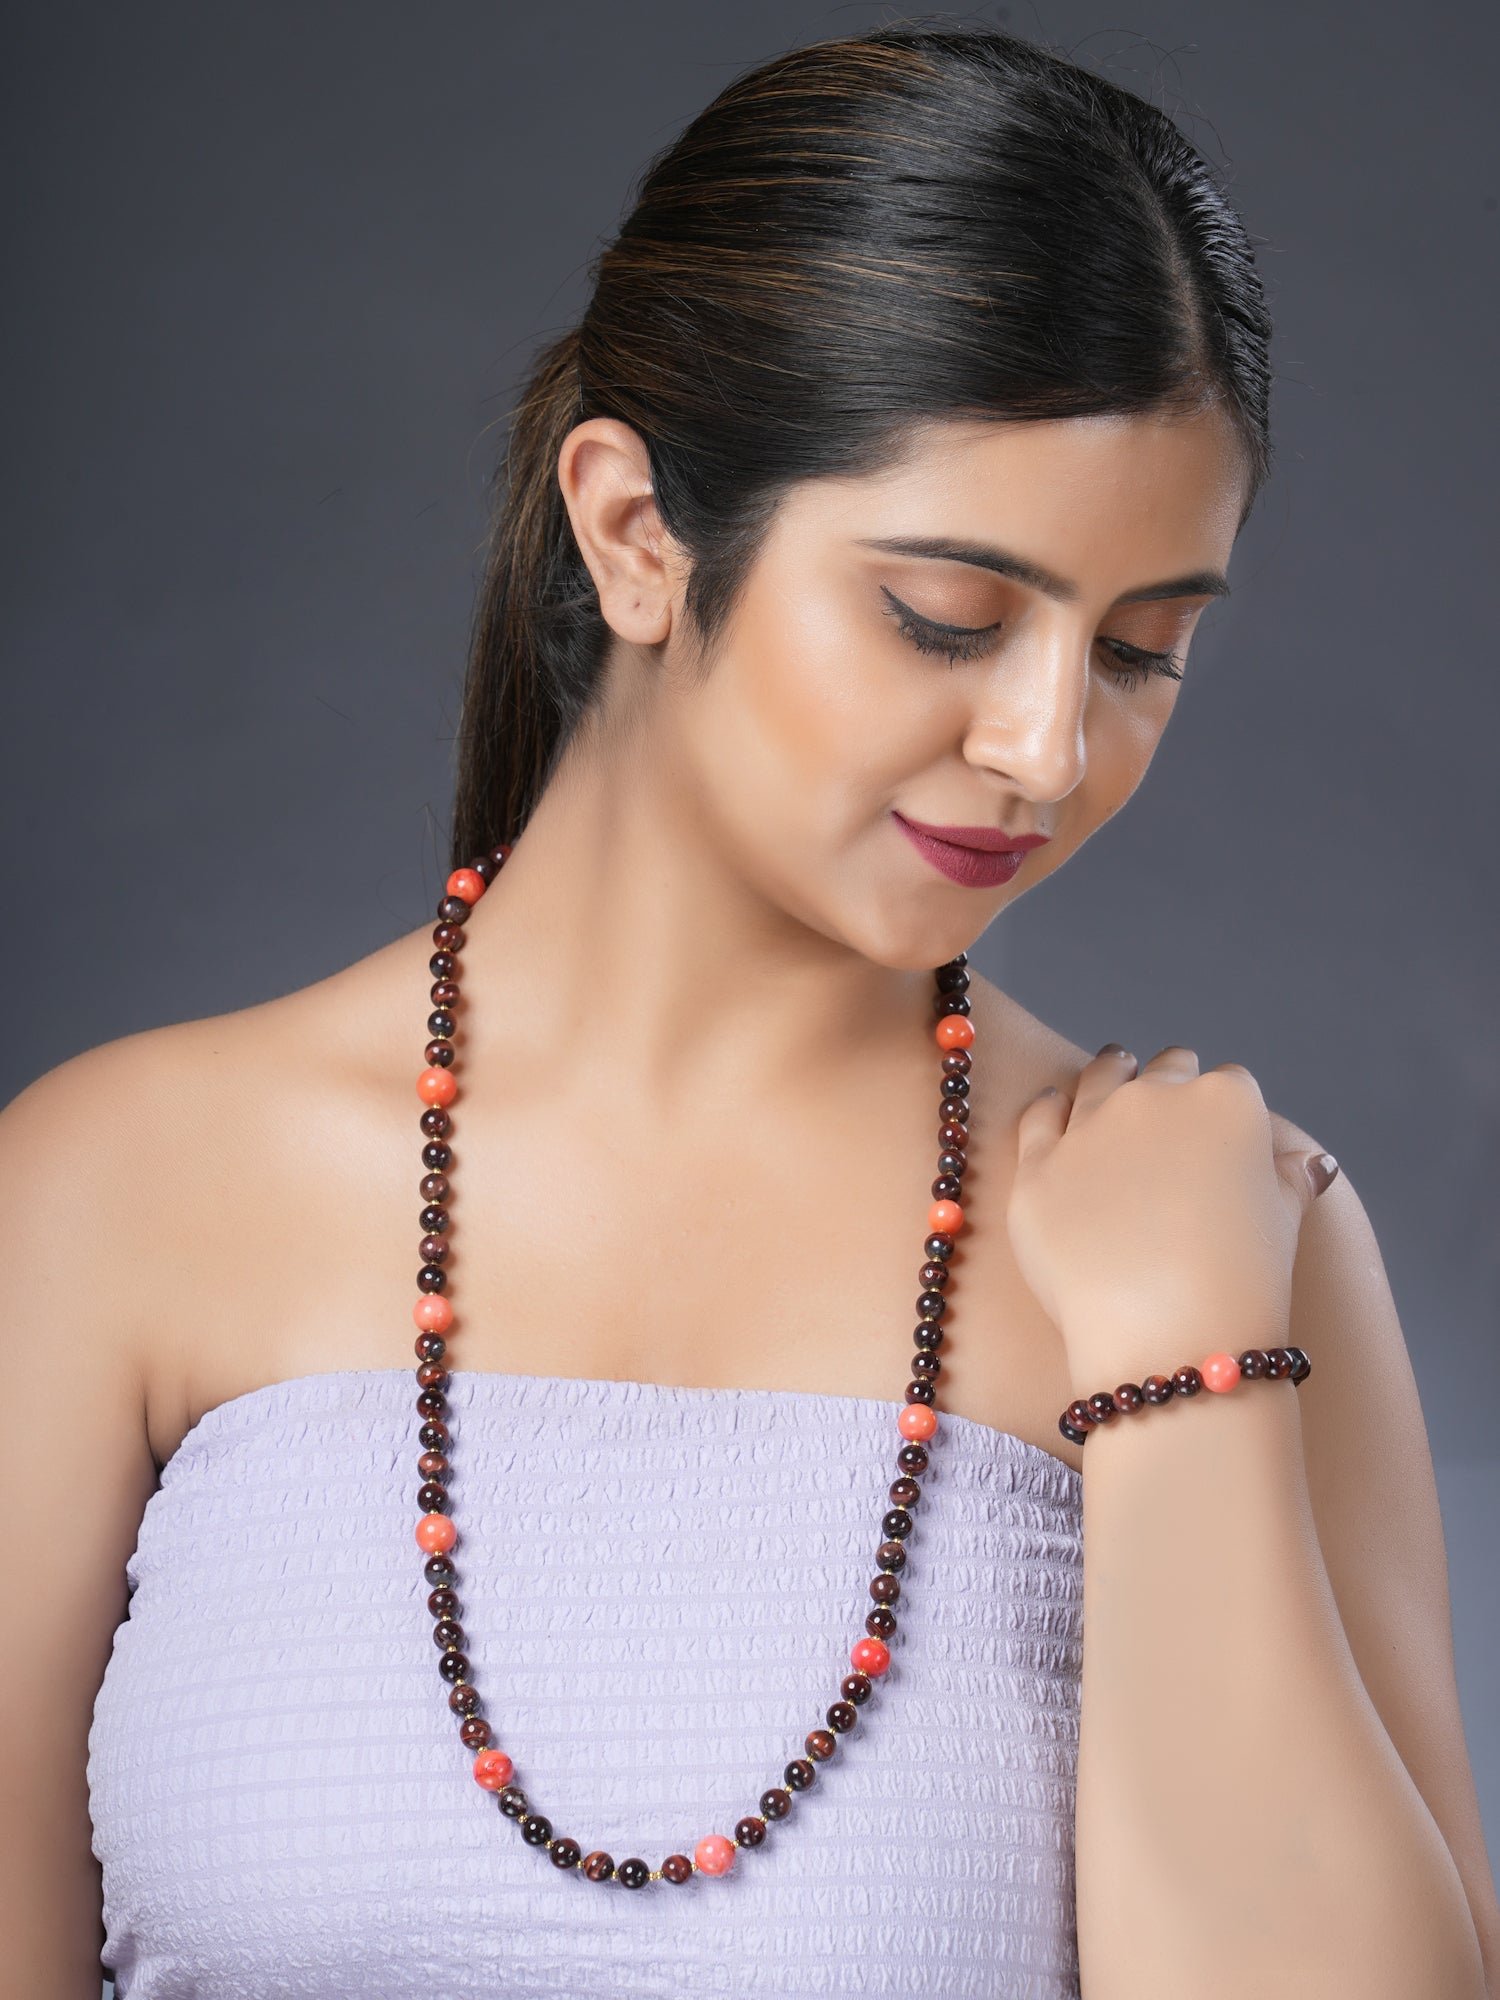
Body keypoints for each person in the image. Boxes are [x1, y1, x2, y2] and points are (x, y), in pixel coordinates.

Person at [2, 21, 1495, 2000]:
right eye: (947, 618)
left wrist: (1179, 1369)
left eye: (1145, 651)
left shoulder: (1241, 1241)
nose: (1046, 747)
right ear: (634, 532)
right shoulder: (116, 1188)